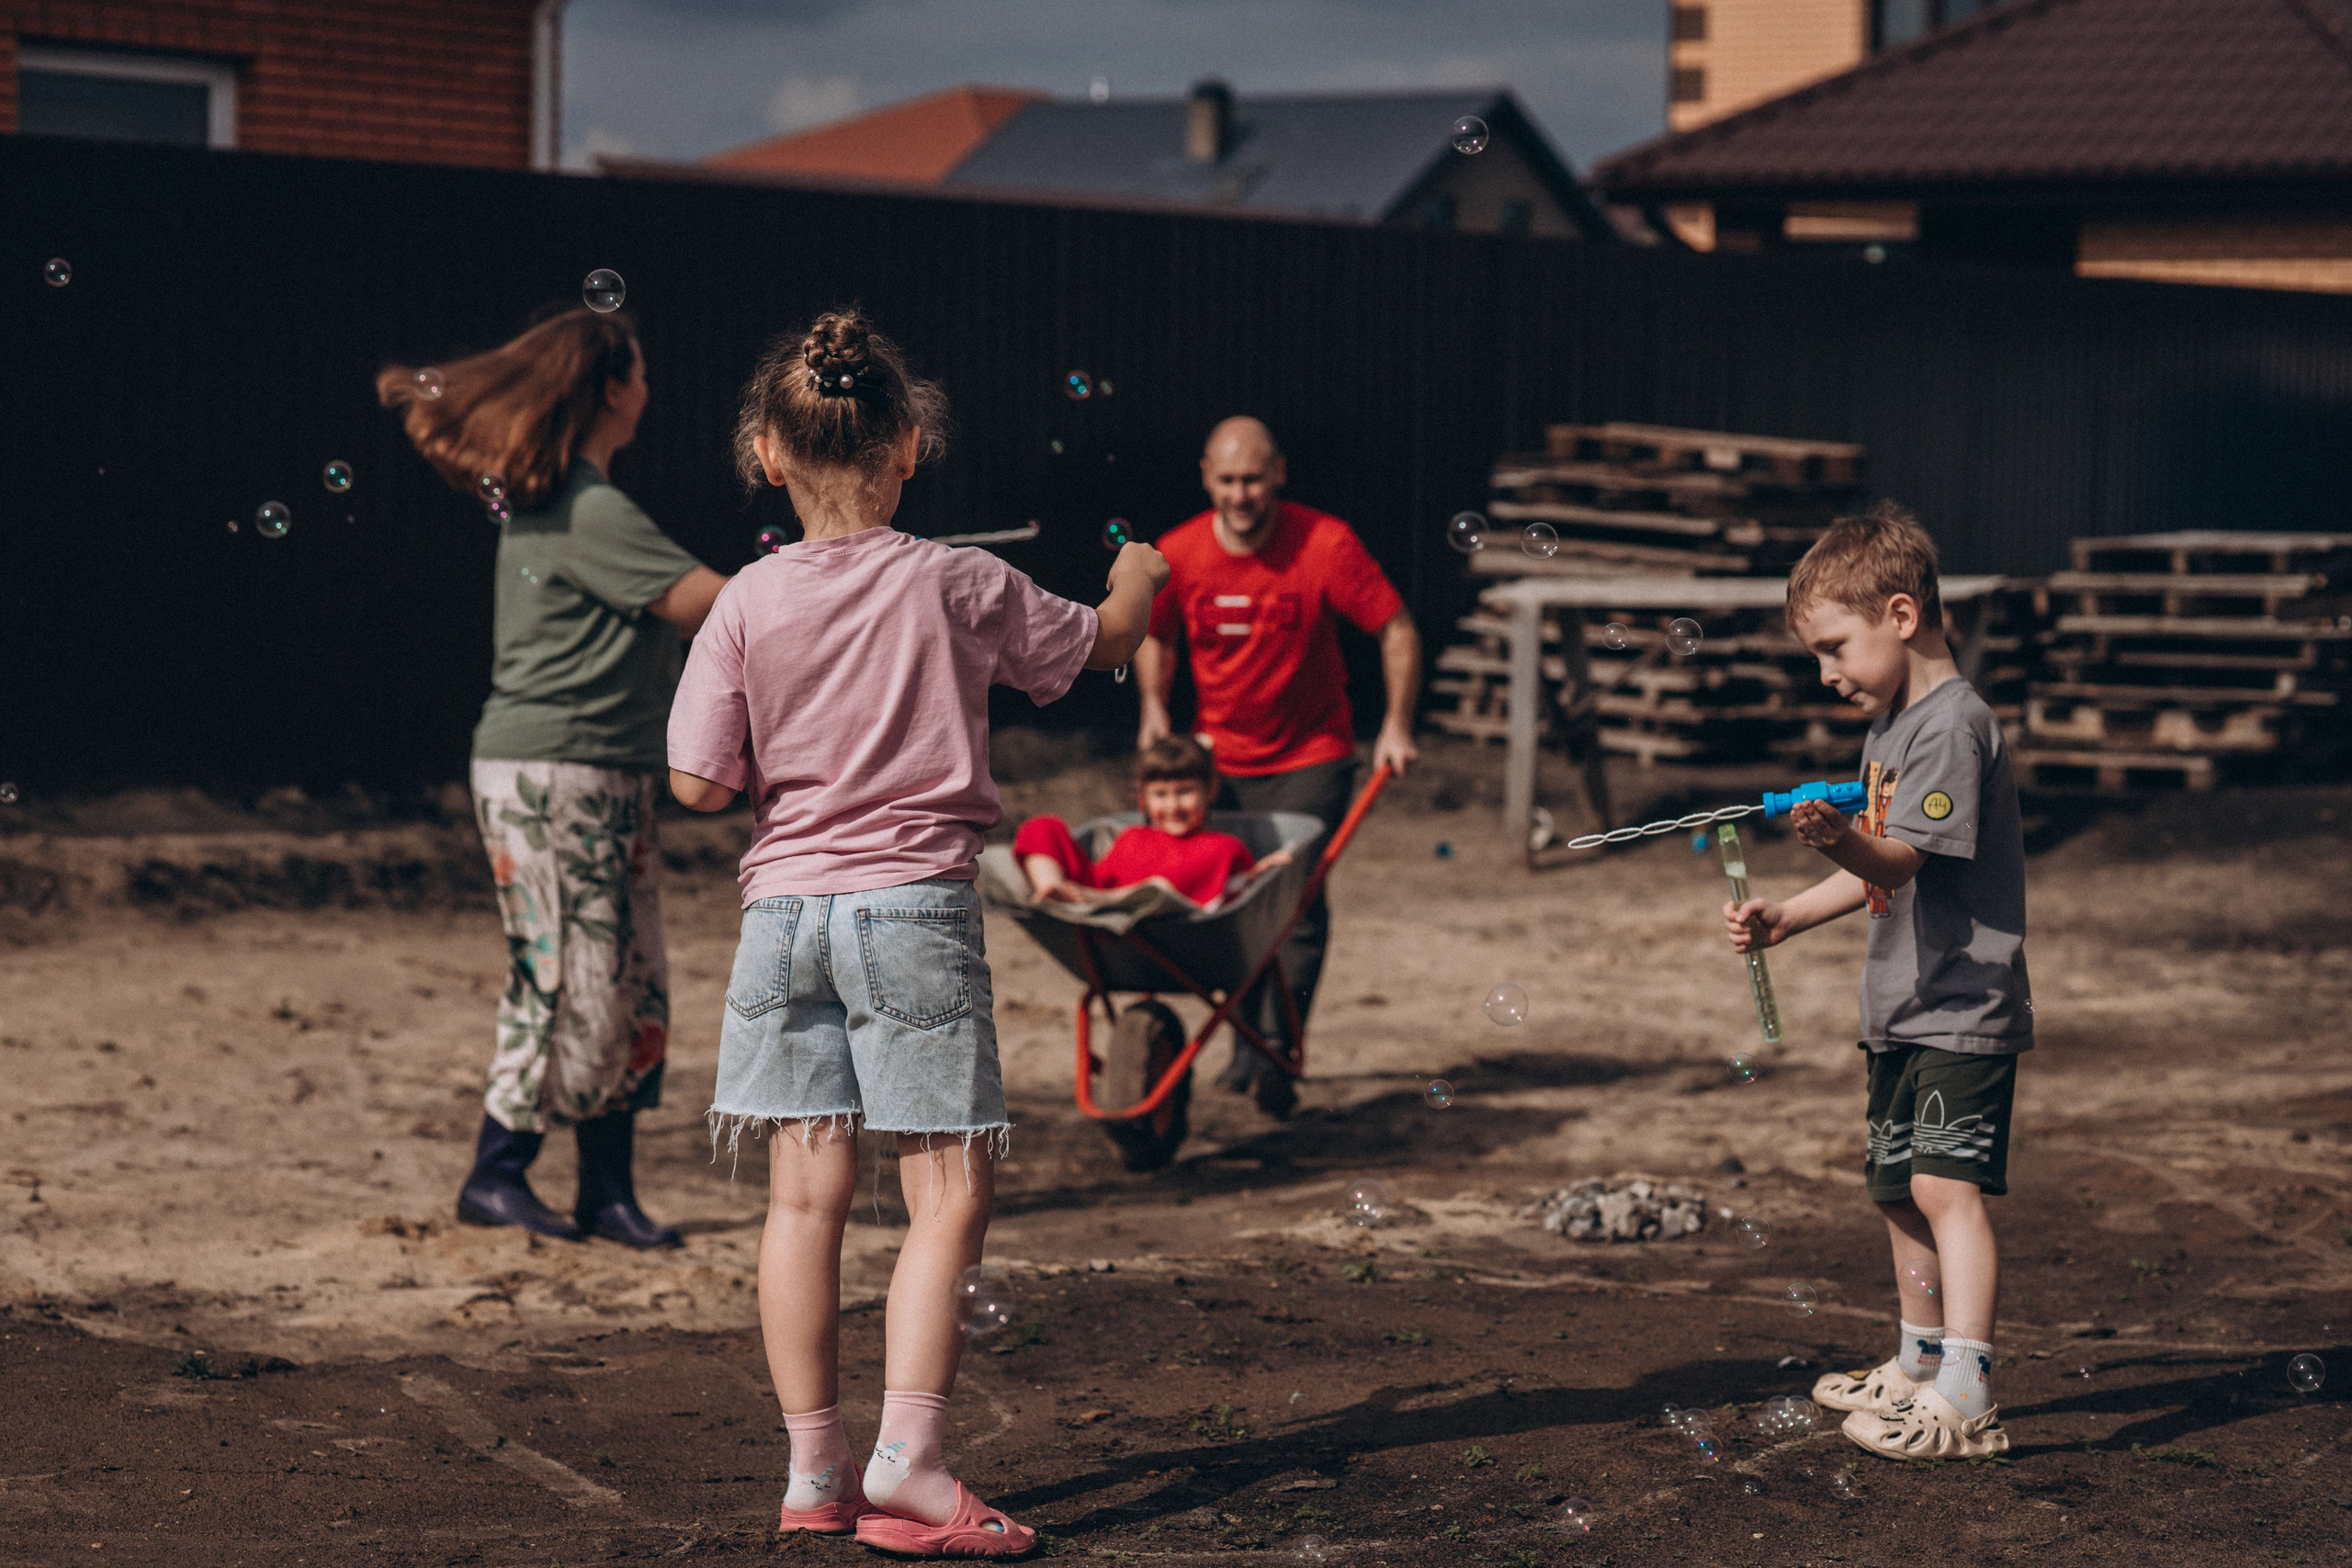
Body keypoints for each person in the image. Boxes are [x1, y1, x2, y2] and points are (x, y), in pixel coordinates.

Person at [666, 308, 1166, 1555]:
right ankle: (913, 1457)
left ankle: (815, 1467)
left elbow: (696, 782)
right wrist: (1140, 581)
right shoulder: (961, 580)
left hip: (782, 913)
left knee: (802, 1196)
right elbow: (1101, 645)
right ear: (908, 445)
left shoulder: (744, 599)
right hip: (911, 911)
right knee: (946, 1189)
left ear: (766, 457)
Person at [379, 308, 726, 1249]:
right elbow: (716, 609)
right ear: (611, 390)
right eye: (642, 374)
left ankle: (605, 1191)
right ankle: (496, 1174)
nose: (650, 390)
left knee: (622, 977)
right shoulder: (587, 508)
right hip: (555, 774)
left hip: (595, 772)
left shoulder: (573, 498)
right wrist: (842, 576)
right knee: (568, 975)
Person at [1724, 502, 2031, 1461]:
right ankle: (1916, 1361)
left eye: (1833, 648)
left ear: (1900, 615)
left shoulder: (1951, 727)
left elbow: (1896, 860)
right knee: (1897, 1190)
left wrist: (1841, 834)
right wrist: (1787, 914)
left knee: (1945, 1191)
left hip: (1960, 1005)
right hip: (1901, 1005)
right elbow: (1873, 871)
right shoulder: (1893, 730)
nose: (1825, 675)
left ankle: (1968, 1393)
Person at [1134, 416, 1419, 1117]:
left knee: (1293, 903)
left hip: (1312, 755)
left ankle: (1276, 1050)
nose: (1241, 493)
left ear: (1279, 474)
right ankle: (1245, 1047)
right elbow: (1152, 633)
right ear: (1207, 476)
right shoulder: (1182, 551)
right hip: (1218, 757)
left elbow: (1397, 628)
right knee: (1223, 900)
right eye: (1228, 479)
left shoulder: (1324, 543)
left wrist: (1397, 725)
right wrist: (1152, 708)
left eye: (1254, 478)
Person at [1013, 736, 1286, 911]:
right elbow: (1101, 876)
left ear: (1211, 790)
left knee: (1173, 879)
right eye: (1160, 795)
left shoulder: (1223, 847)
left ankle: (1093, 900)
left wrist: (1260, 876)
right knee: (1042, 826)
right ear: (1143, 799)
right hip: (1090, 901)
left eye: (1185, 792)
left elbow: (1237, 898)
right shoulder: (1132, 836)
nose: (1172, 806)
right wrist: (1078, 890)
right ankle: (1051, 888)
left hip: (1152, 913)